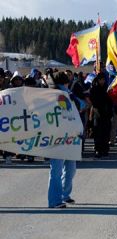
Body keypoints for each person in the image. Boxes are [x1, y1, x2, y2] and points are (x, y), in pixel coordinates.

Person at [48, 72, 78, 208]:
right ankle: (54, 200)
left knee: (71, 168)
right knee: (57, 170)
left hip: (70, 136)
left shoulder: (69, 95)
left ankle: (64, 195)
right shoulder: (51, 96)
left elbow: (78, 108)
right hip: (56, 137)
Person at [90, 72, 113, 158]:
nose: (102, 81)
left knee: (106, 132)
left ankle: (105, 149)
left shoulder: (107, 88)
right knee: (97, 132)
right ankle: (98, 149)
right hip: (97, 113)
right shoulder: (94, 88)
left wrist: (110, 113)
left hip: (106, 113)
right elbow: (92, 100)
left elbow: (110, 101)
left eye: (103, 79)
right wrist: (95, 109)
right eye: (100, 79)